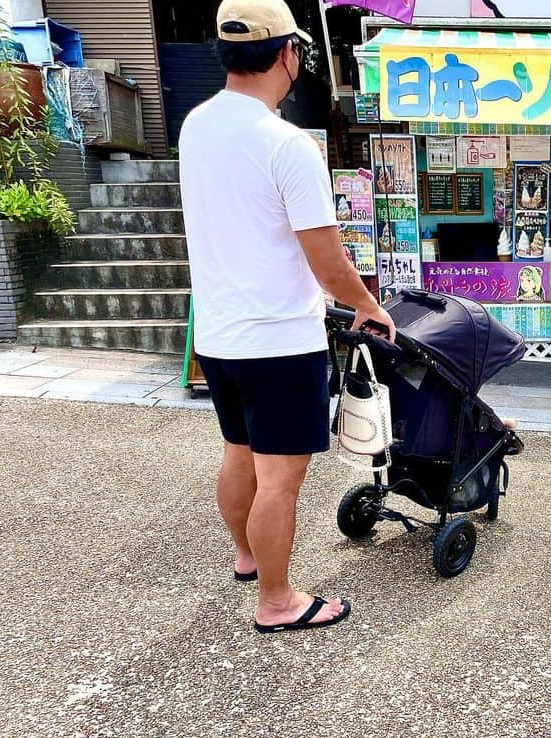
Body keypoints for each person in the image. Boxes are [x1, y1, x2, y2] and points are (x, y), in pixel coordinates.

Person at [180, 0, 396, 634]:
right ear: (286, 54)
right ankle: (277, 601)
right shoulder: (287, 144)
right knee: (280, 479)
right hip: (277, 340)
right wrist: (367, 305)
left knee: (238, 453)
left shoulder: (196, 125)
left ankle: (248, 558)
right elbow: (327, 261)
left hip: (218, 335)